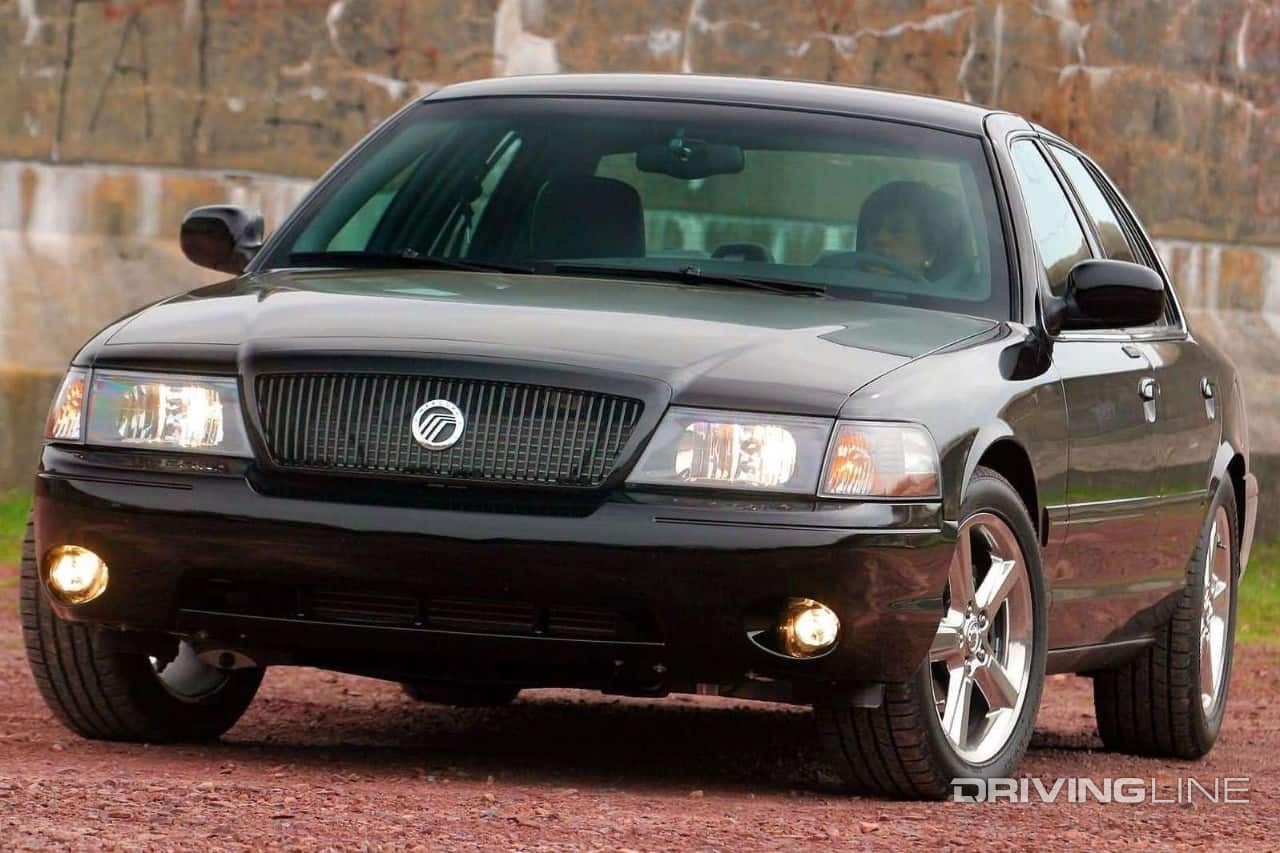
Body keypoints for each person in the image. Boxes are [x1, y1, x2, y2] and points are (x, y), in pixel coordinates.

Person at [854, 180, 967, 280]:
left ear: (930, 253)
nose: (880, 238)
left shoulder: (952, 302)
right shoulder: (841, 288)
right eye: (873, 229)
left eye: (897, 230)